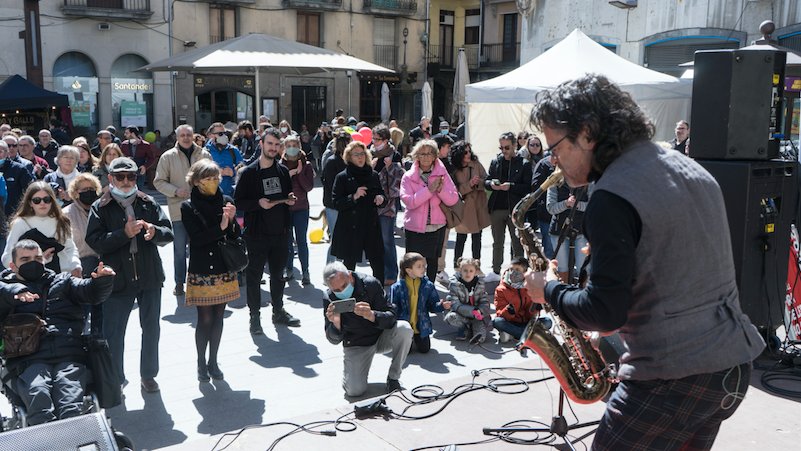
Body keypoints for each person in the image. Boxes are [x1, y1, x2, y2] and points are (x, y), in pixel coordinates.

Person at [525, 74, 763, 450]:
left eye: (555, 147)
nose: (552, 159)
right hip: (731, 366)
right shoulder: (687, 167)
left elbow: (604, 314)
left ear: (587, 133)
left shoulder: (611, 196)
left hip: (675, 375)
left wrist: (547, 289)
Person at [0, 239, 115, 426]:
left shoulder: (63, 281)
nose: (33, 262)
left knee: (70, 402)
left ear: (44, 260)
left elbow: (90, 292)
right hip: (28, 360)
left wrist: (101, 281)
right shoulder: (6, 290)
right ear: (13, 266)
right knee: (39, 397)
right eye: (25, 259)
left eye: (37, 258)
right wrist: (15, 291)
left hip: (68, 355)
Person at [85, 156, 174, 393]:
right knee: (114, 332)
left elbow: (168, 233)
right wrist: (123, 234)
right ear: (111, 178)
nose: (126, 181)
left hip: (149, 277)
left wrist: (155, 232)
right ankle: (116, 378)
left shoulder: (147, 202)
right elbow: (94, 241)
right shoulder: (100, 206)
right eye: (120, 177)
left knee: (152, 329)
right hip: (117, 279)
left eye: (131, 176)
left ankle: (148, 375)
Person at [234, 127, 301, 333]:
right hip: (256, 235)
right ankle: (255, 317)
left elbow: (286, 194)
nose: (273, 148)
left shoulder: (282, 172)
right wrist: (258, 203)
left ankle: (278, 311)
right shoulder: (248, 173)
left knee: (278, 275)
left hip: (280, 233)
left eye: (276, 144)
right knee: (254, 278)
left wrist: (289, 200)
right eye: (269, 143)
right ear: (261, 144)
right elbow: (239, 202)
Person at [181, 160, 240, 382]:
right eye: (209, 179)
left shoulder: (226, 201)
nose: (214, 183)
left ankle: (213, 361)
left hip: (224, 267)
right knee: (204, 319)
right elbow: (196, 240)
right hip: (202, 268)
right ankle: (200, 362)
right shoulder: (188, 206)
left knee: (219, 317)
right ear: (196, 182)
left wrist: (232, 222)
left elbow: (235, 236)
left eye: (217, 178)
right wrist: (221, 228)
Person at [322, 261, 413, 396]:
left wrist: (372, 315)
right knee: (354, 391)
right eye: (336, 290)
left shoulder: (370, 284)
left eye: (344, 285)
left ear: (350, 276)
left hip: (381, 335)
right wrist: (336, 324)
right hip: (356, 343)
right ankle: (350, 376)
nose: (342, 291)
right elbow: (333, 340)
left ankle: (393, 378)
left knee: (404, 328)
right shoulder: (329, 297)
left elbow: (392, 316)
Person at [154, 124, 211, 296]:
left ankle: (199, 280)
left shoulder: (204, 154)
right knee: (179, 249)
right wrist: (175, 191)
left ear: (193, 136)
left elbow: (212, 177)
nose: (186, 137)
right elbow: (159, 182)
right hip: (178, 210)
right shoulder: (167, 157)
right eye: (182, 135)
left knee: (200, 248)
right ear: (177, 138)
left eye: (189, 134)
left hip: (201, 210)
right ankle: (179, 282)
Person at [400, 139, 459, 283]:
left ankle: (429, 292)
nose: (426, 157)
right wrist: (429, 190)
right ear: (416, 156)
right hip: (414, 228)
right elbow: (409, 201)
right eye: (422, 153)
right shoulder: (408, 176)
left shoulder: (443, 174)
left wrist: (440, 190)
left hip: (436, 227)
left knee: (432, 263)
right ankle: (410, 293)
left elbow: (453, 199)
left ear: (435, 156)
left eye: (429, 153)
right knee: (412, 264)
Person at [330, 141, 387, 281]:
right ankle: (349, 294)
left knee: (377, 261)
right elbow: (336, 202)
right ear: (349, 157)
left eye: (362, 154)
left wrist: (381, 198)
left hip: (370, 224)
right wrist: (353, 196)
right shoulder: (342, 177)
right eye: (356, 155)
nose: (360, 157)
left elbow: (382, 194)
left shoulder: (373, 175)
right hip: (351, 226)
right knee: (349, 264)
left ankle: (379, 293)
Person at [1, 181, 81, 276]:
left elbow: (70, 248)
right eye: (37, 200)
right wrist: (36, 260)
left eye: (46, 199)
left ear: (52, 201)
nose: (42, 203)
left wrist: (76, 265)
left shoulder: (62, 221)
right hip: (31, 280)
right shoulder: (21, 223)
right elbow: (7, 257)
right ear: (30, 203)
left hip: (62, 276)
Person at [484, 131, 531, 281]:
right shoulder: (495, 161)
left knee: (517, 243)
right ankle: (496, 270)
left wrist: (511, 186)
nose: (504, 151)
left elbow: (528, 187)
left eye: (507, 148)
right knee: (497, 242)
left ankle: (517, 272)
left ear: (515, 146)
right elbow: (487, 181)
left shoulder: (524, 163)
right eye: (501, 148)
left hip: (515, 210)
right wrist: (491, 184)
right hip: (497, 208)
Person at [63, 174, 104, 335]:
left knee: (100, 313)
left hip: (101, 267)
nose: (89, 192)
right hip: (80, 269)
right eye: (84, 189)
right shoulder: (66, 214)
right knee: (82, 312)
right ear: (76, 192)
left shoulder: (102, 209)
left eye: (92, 189)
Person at [388, 252, 451, 353]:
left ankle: (415, 338)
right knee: (406, 351)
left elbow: (432, 305)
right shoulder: (397, 287)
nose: (423, 269)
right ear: (409, 270)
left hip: (421, 325)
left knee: (424, 349)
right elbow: (392, 307)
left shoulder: (428, 285)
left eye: (424, 266)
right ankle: (402, 339)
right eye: (419, 266)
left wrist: (442, 305)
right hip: (404, 325)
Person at [448, 141, 490, 268]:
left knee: (477, 237)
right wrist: (469, 185)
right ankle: (456, 265)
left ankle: (476, 265)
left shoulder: (476, 164)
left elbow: (486, 179)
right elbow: (453, 190)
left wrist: (479, 183)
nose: (468, 154)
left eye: (469, 151)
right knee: (461, 237)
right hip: (463, 207)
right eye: (465, 152)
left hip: (478, 205)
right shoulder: (454, 169)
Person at [371, 125, 404, 285]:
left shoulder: (395, 155)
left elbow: (399, 183)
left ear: (385, 140)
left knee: (387, 240)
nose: (374, 142)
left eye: (377, 139)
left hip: (388, 206)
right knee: (374, 241)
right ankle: (378, 273)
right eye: (373, 138)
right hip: (372, 205)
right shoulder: (370, 154)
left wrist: (390, 167)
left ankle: (391, 273)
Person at [281, 134, 314, 285]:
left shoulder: (306, 165)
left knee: (301, 241)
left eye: (294, 145)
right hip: (285, 209)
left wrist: (299, 173)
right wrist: (290, 174)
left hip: (301, 208)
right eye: (288, 146)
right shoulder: (280, 164)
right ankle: (288, 270)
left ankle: (305, 271)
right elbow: (278, 188)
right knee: (286, 242)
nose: (291, 149)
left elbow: (308, 187)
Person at [492, 257, 549, 342]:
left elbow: (530, 315)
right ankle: (528, 336)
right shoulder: (501, 289)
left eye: (517, 269)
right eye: (511, 269)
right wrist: (508, 311)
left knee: (548, 322)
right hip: (510, 322)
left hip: (526, 322)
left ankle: (516, 334)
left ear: (525, 272)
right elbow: (500, 313)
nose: (513, 272)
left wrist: (535, 309)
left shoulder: (530, 287)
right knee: (497, 322)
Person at [444, 257, 491, 343]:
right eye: (465, 270)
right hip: (462, 314)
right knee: (452, 317)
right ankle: (464, 327)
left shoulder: (480, 284)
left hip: (477, 317)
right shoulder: (454, 285)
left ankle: (475, 329)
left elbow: (485, 301)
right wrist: (472, 311)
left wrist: (480, 310)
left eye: (471, 271)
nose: (468, 273)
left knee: (480, 337)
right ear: (460, 271)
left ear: (475, 272)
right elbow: (454, 303)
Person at [320, 131, 349, 262]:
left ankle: (338, 270)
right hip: (334, 205)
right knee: (336, 239)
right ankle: (330, 270)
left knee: (341, 239)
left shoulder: (346, 162)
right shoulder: (332, 162)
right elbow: (330, 185)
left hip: (343, 204)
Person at [204, 122, 244, 197]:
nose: (224, 136)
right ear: (211, 135)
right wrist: (217, 173)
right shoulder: (205, 152)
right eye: (220, 134)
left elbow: (242, 169)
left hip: (231, 195)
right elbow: (200, 174)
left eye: (224, 133)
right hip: (211, 196)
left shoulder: (233, 150)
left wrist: (234, 172)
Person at [0, 140, 34, 216]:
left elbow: (30, 190)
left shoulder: (19, 169)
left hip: (13, 214)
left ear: (7, 152)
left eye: (0, 152)